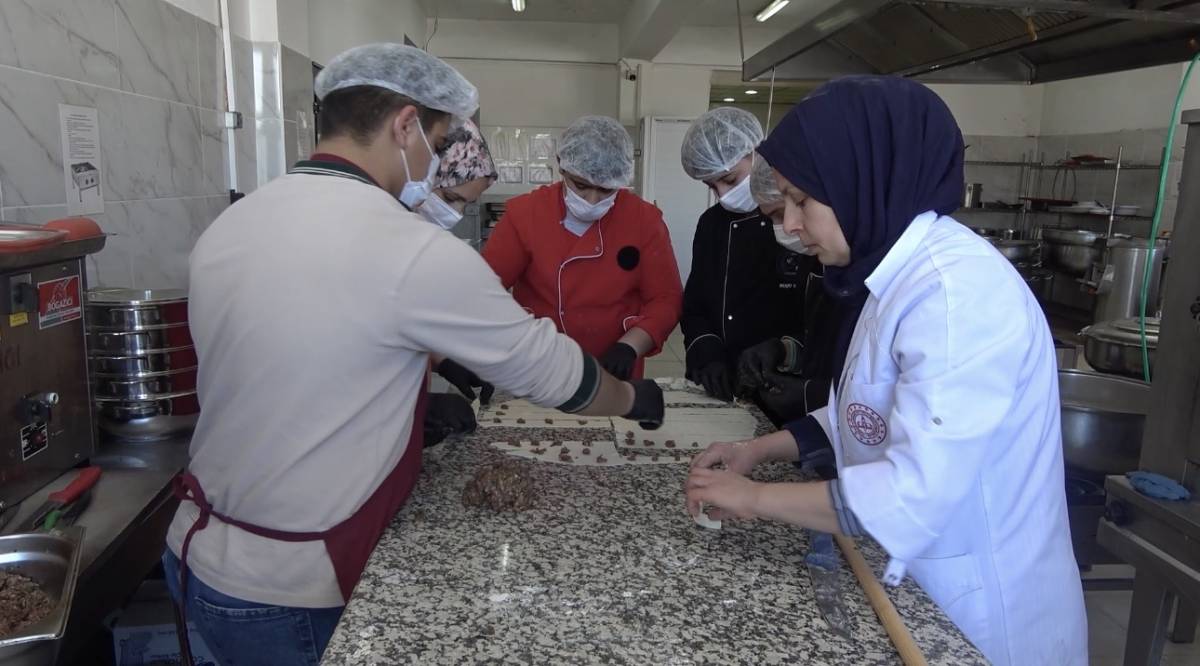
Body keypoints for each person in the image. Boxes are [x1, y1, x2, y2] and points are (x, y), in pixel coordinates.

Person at [162, 44, 665, 666]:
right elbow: (546, 368)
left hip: (197, 550)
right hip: (288, 582)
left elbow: (306, 355)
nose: (438, 159)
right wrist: (631, 397)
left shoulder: (235, 223)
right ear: (405, 126)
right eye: (441, 139)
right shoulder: (405, 245)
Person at [685, 76, 1087, 665]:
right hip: (917, 588)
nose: (789, 225)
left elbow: (910, 496)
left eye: (802, 201)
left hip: (982, 611)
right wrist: (758, 450)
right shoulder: (890, 275)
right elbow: (860, 415)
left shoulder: (955, 297)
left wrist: (755, 499)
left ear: (860, 181)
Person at [482, 116, 683, 381]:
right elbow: (485, 290)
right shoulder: (526, 214)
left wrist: (631, 345)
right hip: (538, 358)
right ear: (561, 166)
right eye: (581, 185)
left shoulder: (643, 220)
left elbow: (666, 298)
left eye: (606, 189)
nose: (592, 200)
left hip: (614, 365)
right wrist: (486, 351)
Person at [677, 108, 816, 412]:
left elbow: (824, 319)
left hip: (784, 383)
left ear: (757, 152)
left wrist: (783, 351)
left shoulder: (803, 223)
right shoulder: (711, 224)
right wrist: (706, 349)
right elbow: (696, 303)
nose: (723, 195)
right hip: (724, 380)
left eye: (730, 179)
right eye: (712, 186)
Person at [734, 156, 838, 425]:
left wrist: (815, 396)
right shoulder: (819, 260)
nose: (789, 225)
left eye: (799, 204)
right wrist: (784, 350)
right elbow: (821, 339)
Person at [418, 119, 501, 445]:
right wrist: (417, 408)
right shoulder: (368, 233)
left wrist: (442, 360)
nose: (455, 213)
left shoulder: (414, 235)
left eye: (465, 203)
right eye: (451, 197)